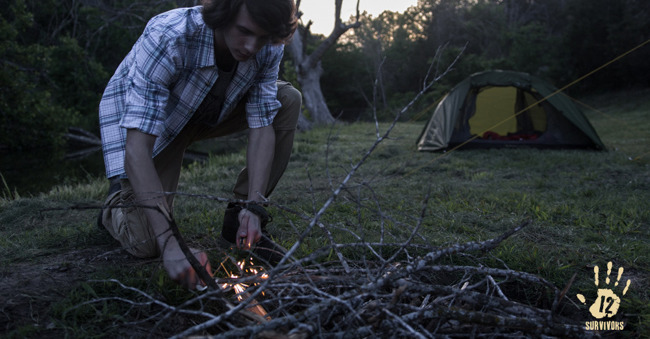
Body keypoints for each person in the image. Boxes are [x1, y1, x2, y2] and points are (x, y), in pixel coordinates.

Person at [97, 0, 300, 289]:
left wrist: (254, 206)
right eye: (244, 31)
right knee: (146, 243)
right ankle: (115, 205)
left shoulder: (267, 42)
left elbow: (262, 120)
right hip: (158, 123)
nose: (252, 46)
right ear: (224, 14)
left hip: (215, 107)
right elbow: (137, 149)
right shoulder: (169, 36)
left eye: (263, 37)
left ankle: (238, 220)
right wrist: (170, 243)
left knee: (287, 100)